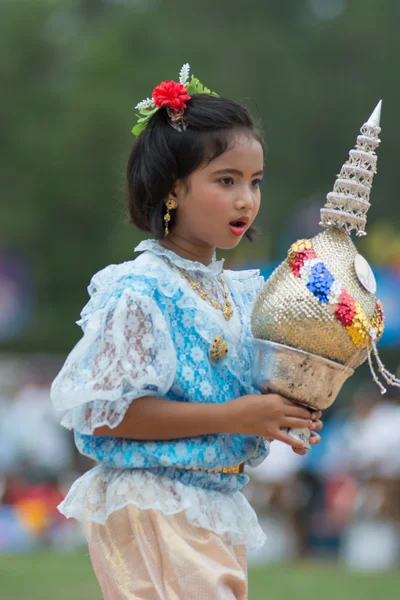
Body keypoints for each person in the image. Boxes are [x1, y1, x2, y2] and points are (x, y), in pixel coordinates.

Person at [50, 64, 323, 600]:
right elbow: (106, 418)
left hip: (213, 504)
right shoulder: (139, 291)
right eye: (226, 180)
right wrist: (237, 415)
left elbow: (247, 399)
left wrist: (286, 409)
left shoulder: (241, 295)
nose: (246, 199)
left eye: (255, 181)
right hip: (150, 504)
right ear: (173, 189)